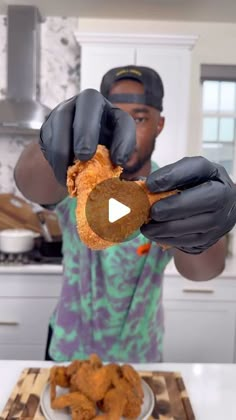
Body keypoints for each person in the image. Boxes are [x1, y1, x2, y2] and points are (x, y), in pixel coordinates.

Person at [14, 65, 236, 363]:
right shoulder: (81, 178)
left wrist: (211, 228)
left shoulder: (171, 189)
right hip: (69, 351)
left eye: (140, 118)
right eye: (115, 118)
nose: (128, 131)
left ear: (159, 124)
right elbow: (32, 184)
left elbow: (203, 271)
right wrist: (51, 144)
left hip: (140, 358)